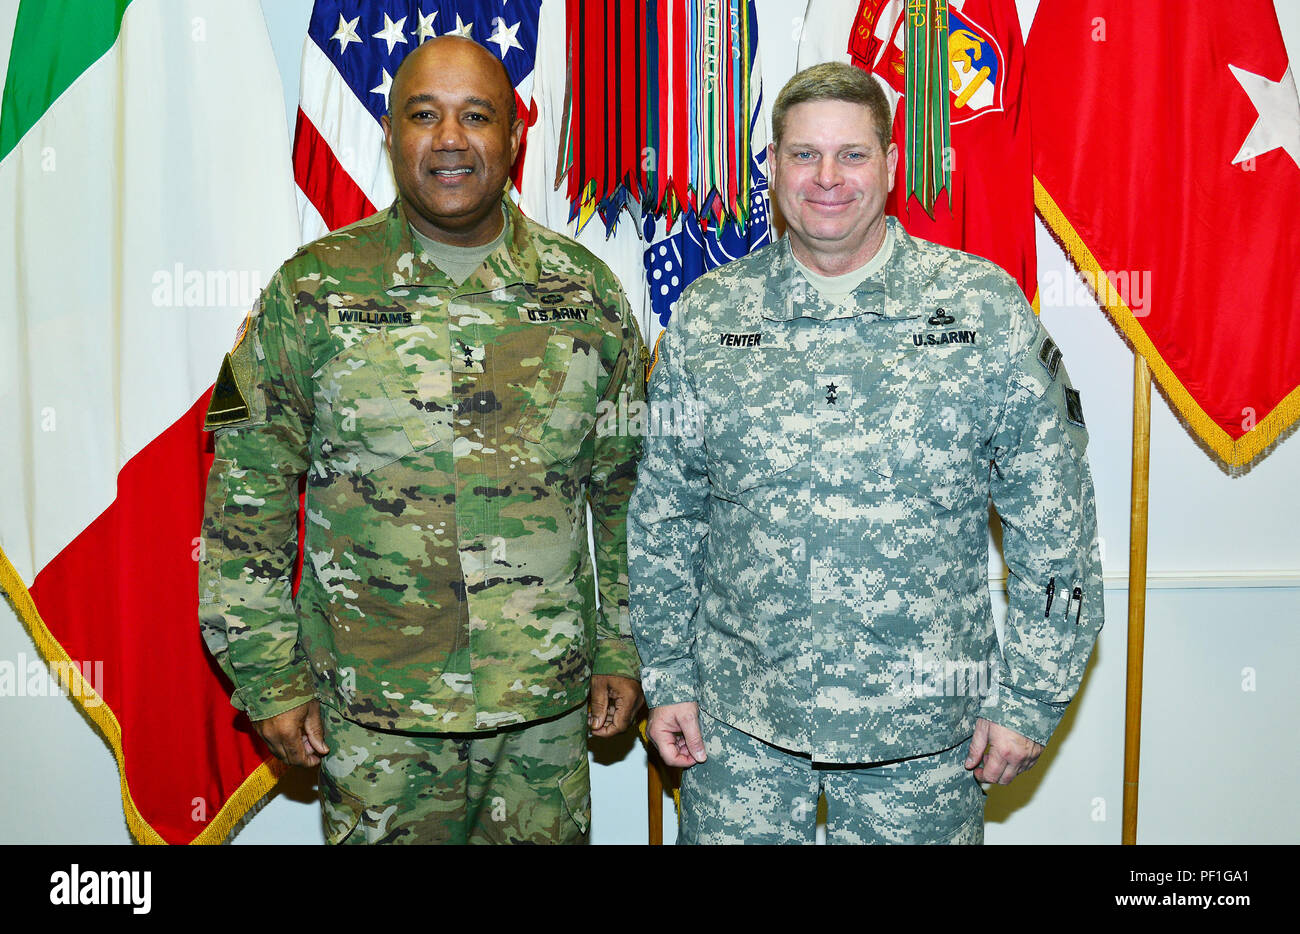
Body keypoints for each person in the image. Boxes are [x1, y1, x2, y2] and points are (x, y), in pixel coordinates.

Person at [629, 62, 1103, 845]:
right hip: (739, 730)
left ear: (889, 165)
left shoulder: (981, 308)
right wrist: (668, 678)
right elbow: (663, 519)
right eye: (804, 154)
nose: (827, 178)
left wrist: (1028, 700)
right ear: (772, 166)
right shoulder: (710, 315)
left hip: (924, 738)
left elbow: (1057, 526)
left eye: (851, 154)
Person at [199, 36, 646, 844]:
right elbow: (248, 497)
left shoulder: (587, 294)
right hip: (374, 720)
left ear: (515, 136)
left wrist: (620, 642)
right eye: (424, 115)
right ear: (391, 133)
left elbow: (624, 494)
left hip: (541, 716)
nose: (449, 138)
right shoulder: (312, 292)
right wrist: (268, 677)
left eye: (477, 116)